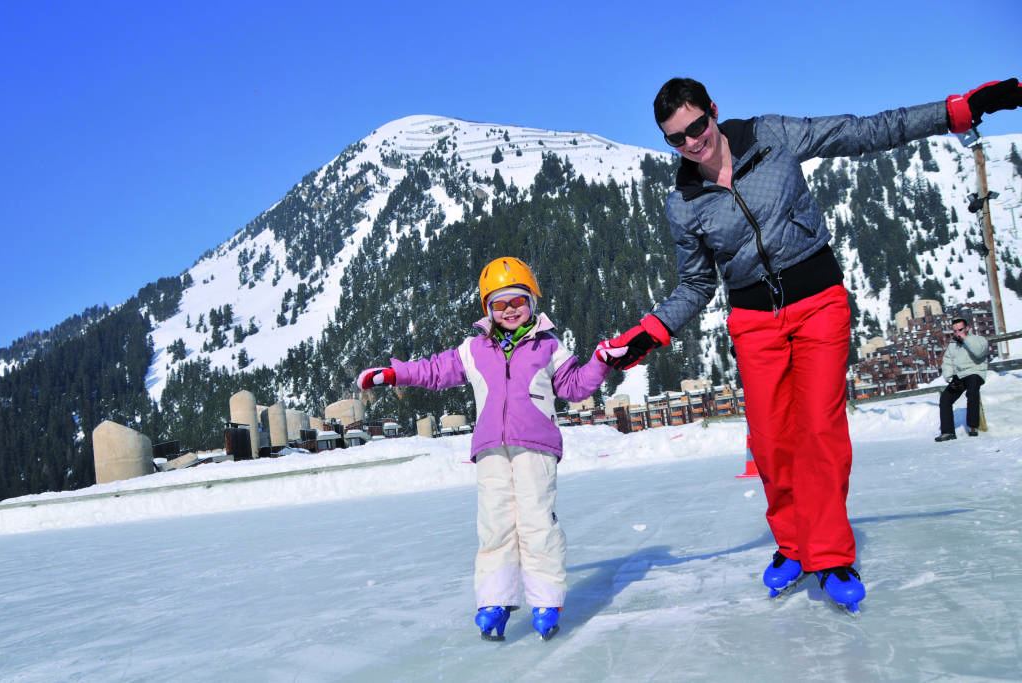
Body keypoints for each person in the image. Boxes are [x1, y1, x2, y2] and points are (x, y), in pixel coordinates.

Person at [595, 77, 1021, 612]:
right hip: (754, 320)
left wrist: (956, 111)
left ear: (714, 113)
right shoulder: (683, 203)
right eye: (676, 139)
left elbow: (865, 131)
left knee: (820, 430)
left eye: (697, 127)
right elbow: (697, 284)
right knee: (771, 441)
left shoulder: (771, 135)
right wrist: (645, 335)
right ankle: (793, 546)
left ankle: (831, 553)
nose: (692, 143)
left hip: (818, 301)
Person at [356, 256, 611, 640]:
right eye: (500, 304)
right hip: (491, 449)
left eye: (518, 301)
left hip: (535, 448)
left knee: (536, 522)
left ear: (532, 302)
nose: (510, 310)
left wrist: (602, 362)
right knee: (494, 525)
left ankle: (546, 599)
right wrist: (395, 373)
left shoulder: (549, 347)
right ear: (487, 310)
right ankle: (494, 599)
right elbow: (434, 370)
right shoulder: (474, 349)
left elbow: (575, 386)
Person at [935, 317, 989, 441]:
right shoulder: (953, 345)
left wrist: (965, 338)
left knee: (972, 391)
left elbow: (979, 352)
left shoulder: (979, 340)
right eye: (955, 331)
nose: (958, 333)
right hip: (959, 375)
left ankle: (973, 426)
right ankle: (948, 432)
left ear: (967, 328)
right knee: (945, 399)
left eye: (960, 330)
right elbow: (947, 362)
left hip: (975, 372)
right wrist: (950, 378)